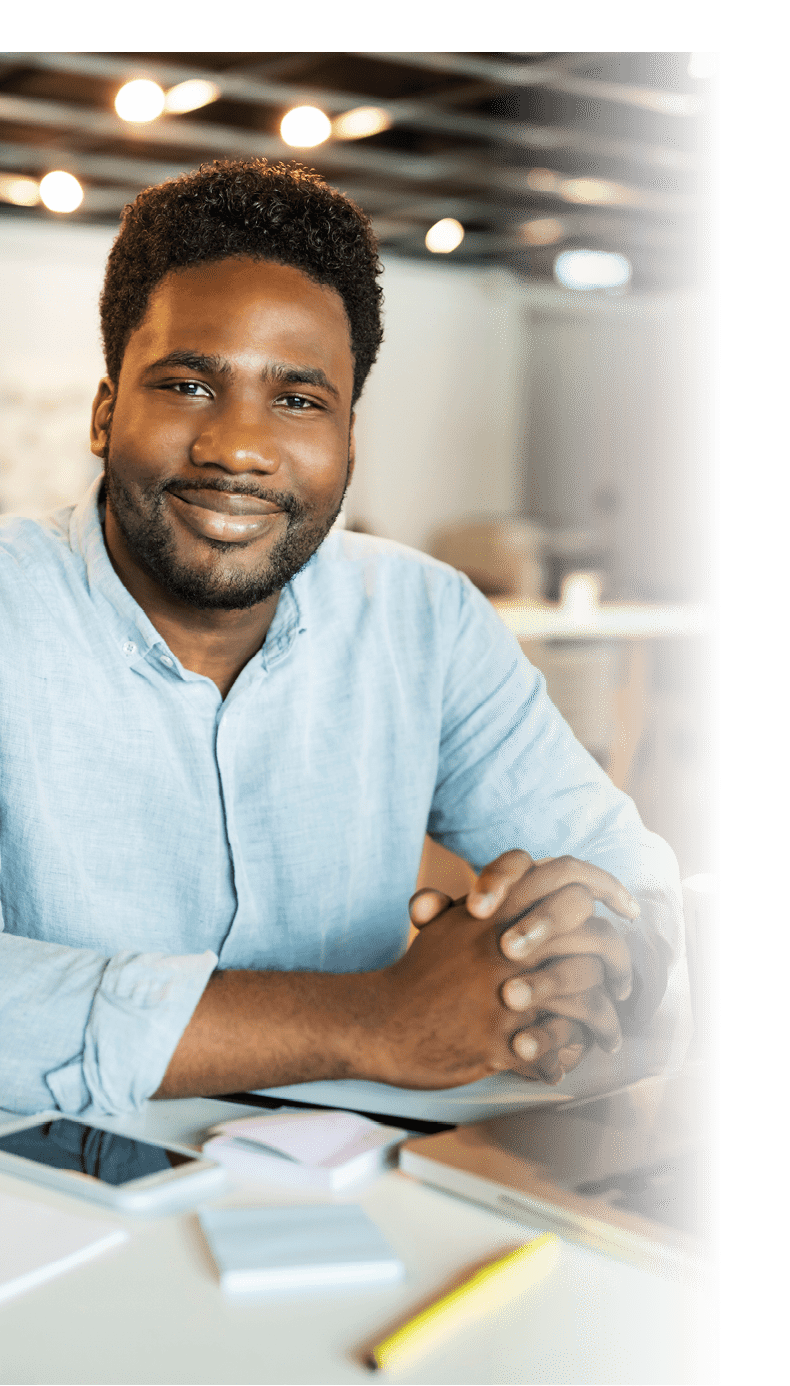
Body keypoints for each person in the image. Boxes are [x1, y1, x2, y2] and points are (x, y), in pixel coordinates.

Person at [0, 159, 689, 1117]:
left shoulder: (426, 620)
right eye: (190, 384)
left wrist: (592, 951)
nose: (238, 447)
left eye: (298, 400)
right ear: (106, 413)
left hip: (368, 1202)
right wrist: (366, 1021)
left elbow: (614, 861)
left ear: (348, 441)